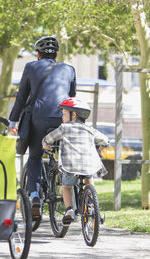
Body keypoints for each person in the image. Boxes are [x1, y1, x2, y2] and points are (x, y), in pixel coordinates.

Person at [9, 35, 76, 219]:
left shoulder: (31, 67)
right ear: (56, 54)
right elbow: (72, 98)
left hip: (38, 118)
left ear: (38, 54)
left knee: (35, 157)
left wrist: (12, 120)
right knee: (65, 156)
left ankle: (35, 197)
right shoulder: (69, 69)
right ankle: (69, 195)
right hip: (62, 118)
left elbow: (22, 96)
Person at [42, 97, 108, 225]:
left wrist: (46, 145)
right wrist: (102, 146)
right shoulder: (89, 129)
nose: (62, 117)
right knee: (89, 179)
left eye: (64, 113)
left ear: (74, 114)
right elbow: (105, 140)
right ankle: (94, 207)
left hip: (70, 165)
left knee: (66, 187)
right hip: (89, 165)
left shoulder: (64, 128)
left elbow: (48, 139)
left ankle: (69, 210)